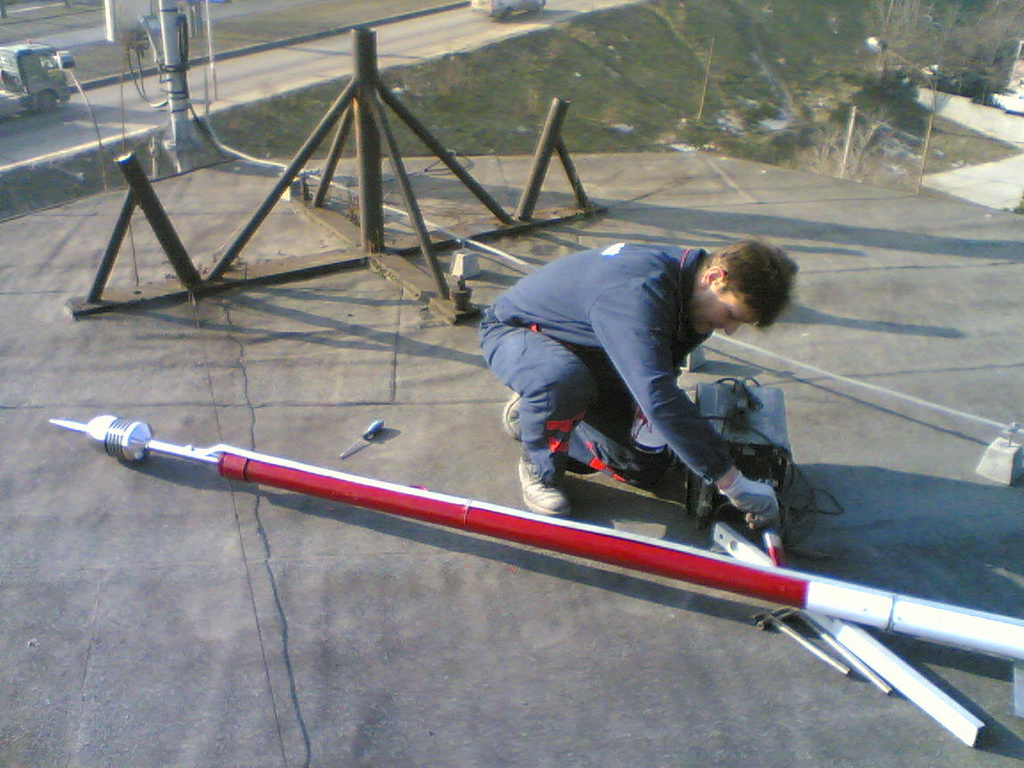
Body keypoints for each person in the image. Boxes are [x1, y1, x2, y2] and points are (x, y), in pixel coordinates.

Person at [479, 239, 798, 527]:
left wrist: (683, 437)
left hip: (593, 346)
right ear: (714, 277)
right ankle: (539, 460)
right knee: (561, 381)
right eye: (730, 314)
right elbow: (656, 395)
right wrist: (732, 482)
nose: (729, 329)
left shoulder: (691, 291)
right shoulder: (638, 293)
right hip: (521, 332)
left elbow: (659, 377)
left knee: (640, 467)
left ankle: (541, 414)